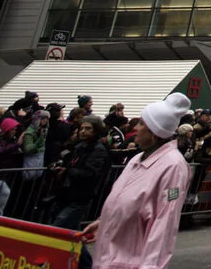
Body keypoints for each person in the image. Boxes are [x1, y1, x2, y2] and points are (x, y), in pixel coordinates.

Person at [82, 93, 192, 269]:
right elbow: (125, 201)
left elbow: (165, 222)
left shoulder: (173, 166)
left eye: (141, 123)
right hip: (108, 258)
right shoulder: (137, 158)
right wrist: (104, 222)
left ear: (155, 133)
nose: (136, 128)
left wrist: (151, 266)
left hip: (132, 261)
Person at [52, 116, 111, 231]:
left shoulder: (98, 150)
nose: (83, 131)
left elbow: (90, 174)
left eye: (88, 128)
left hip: (81, 197)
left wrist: (67, 171)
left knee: (57, 227)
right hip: (68, 194)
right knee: (73, 231)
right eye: (82, 128)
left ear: (96, 131)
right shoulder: (79, 147)